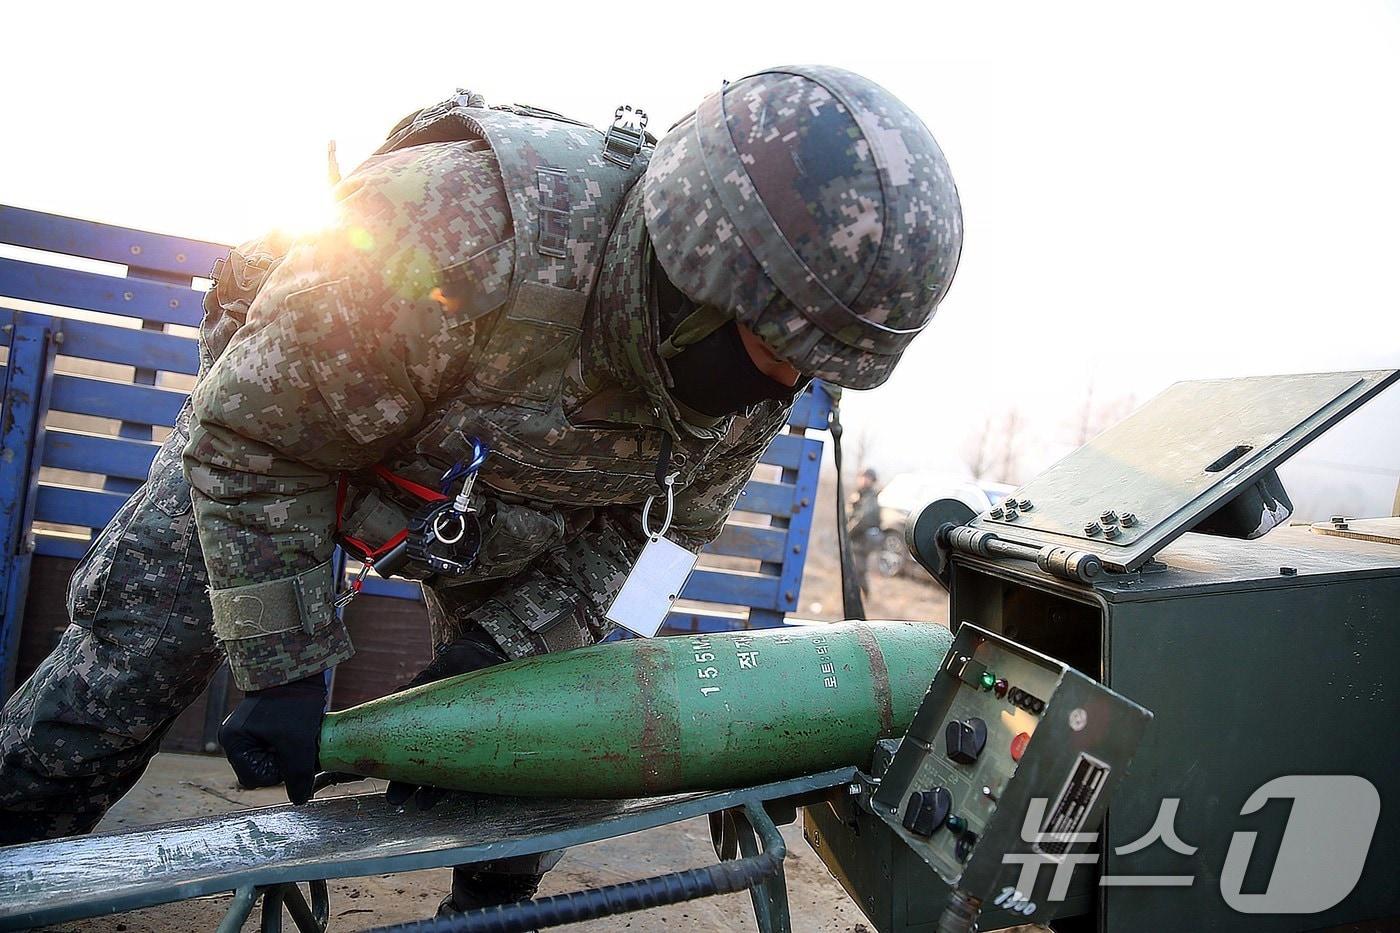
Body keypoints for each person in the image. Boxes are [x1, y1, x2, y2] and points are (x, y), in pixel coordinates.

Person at [0, 66, 962, 913]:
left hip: (511, 509)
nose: (789, 385)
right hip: (291, 454)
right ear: (707, 268)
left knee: (547, 744)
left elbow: (656, 544)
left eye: (818, 363)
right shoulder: (463, 222)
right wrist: (285, 660)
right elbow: (251, 437)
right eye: (784, 348)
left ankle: (484, 912)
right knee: (129, 660)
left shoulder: (752, 376)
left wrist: (509, 649)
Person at [848, 468, 884, 593]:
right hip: (855, 538)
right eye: (862, 477)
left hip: (862, 540)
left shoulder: (871, 498)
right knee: (852, 570)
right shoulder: (858, 495)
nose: (864, 480)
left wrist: (848, 532)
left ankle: (863, 596)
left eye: (867, 478)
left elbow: (863, 519)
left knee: (859, 570)